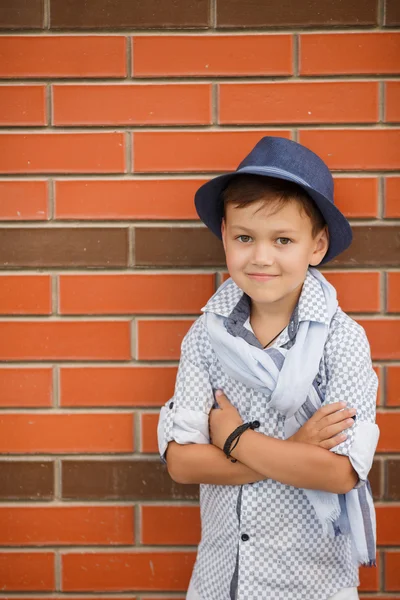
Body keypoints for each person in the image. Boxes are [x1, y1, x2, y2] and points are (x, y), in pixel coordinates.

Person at [157, 136, 379, 600]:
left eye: (283, 240)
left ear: (316, 245)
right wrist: (294, 450)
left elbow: (341, 473)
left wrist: (238, 441)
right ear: (224, 235)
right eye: (244, 238)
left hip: (311, 582)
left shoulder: (342, 340)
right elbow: (181, 461)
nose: (261, 257)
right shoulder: (205, 337)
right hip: (223, 579)